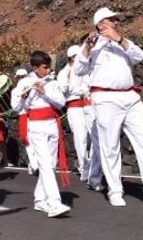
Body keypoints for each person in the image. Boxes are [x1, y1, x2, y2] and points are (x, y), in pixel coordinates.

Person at [74, 7, 143, 207]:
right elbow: (78, 69)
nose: (115, 23)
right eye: (112, 20)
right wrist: (87, 47)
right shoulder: (91, 45)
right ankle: (115, 190)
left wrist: (119, 39)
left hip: (130, 97)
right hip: (105, 98)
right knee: (110, 146)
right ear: (101, 23)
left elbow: (138, 56)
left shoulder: (123, 42)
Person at [11, 51, 70, 218]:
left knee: (50, 164)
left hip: (52, 124)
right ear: (35, 68)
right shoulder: (24, 82)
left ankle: (39, 200)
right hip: (36, 126)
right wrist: (23, 97)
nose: (48, 70)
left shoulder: (51, 82)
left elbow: (61, 103)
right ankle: (54, 202)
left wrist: (45, 92)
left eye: (49, 66)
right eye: (45, 67)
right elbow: (15, 107)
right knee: (44, 163)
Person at [57, 44, 92, 182]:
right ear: (71, 58)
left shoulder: (85, 69)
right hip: (74, 107)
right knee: (80, 139)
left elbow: (88, 85)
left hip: (88, 104)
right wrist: (68, 76)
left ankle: (94, 166)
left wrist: (83, 89)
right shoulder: (63, 73)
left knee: (93, 136)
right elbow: (63, 90)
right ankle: (84, 168)